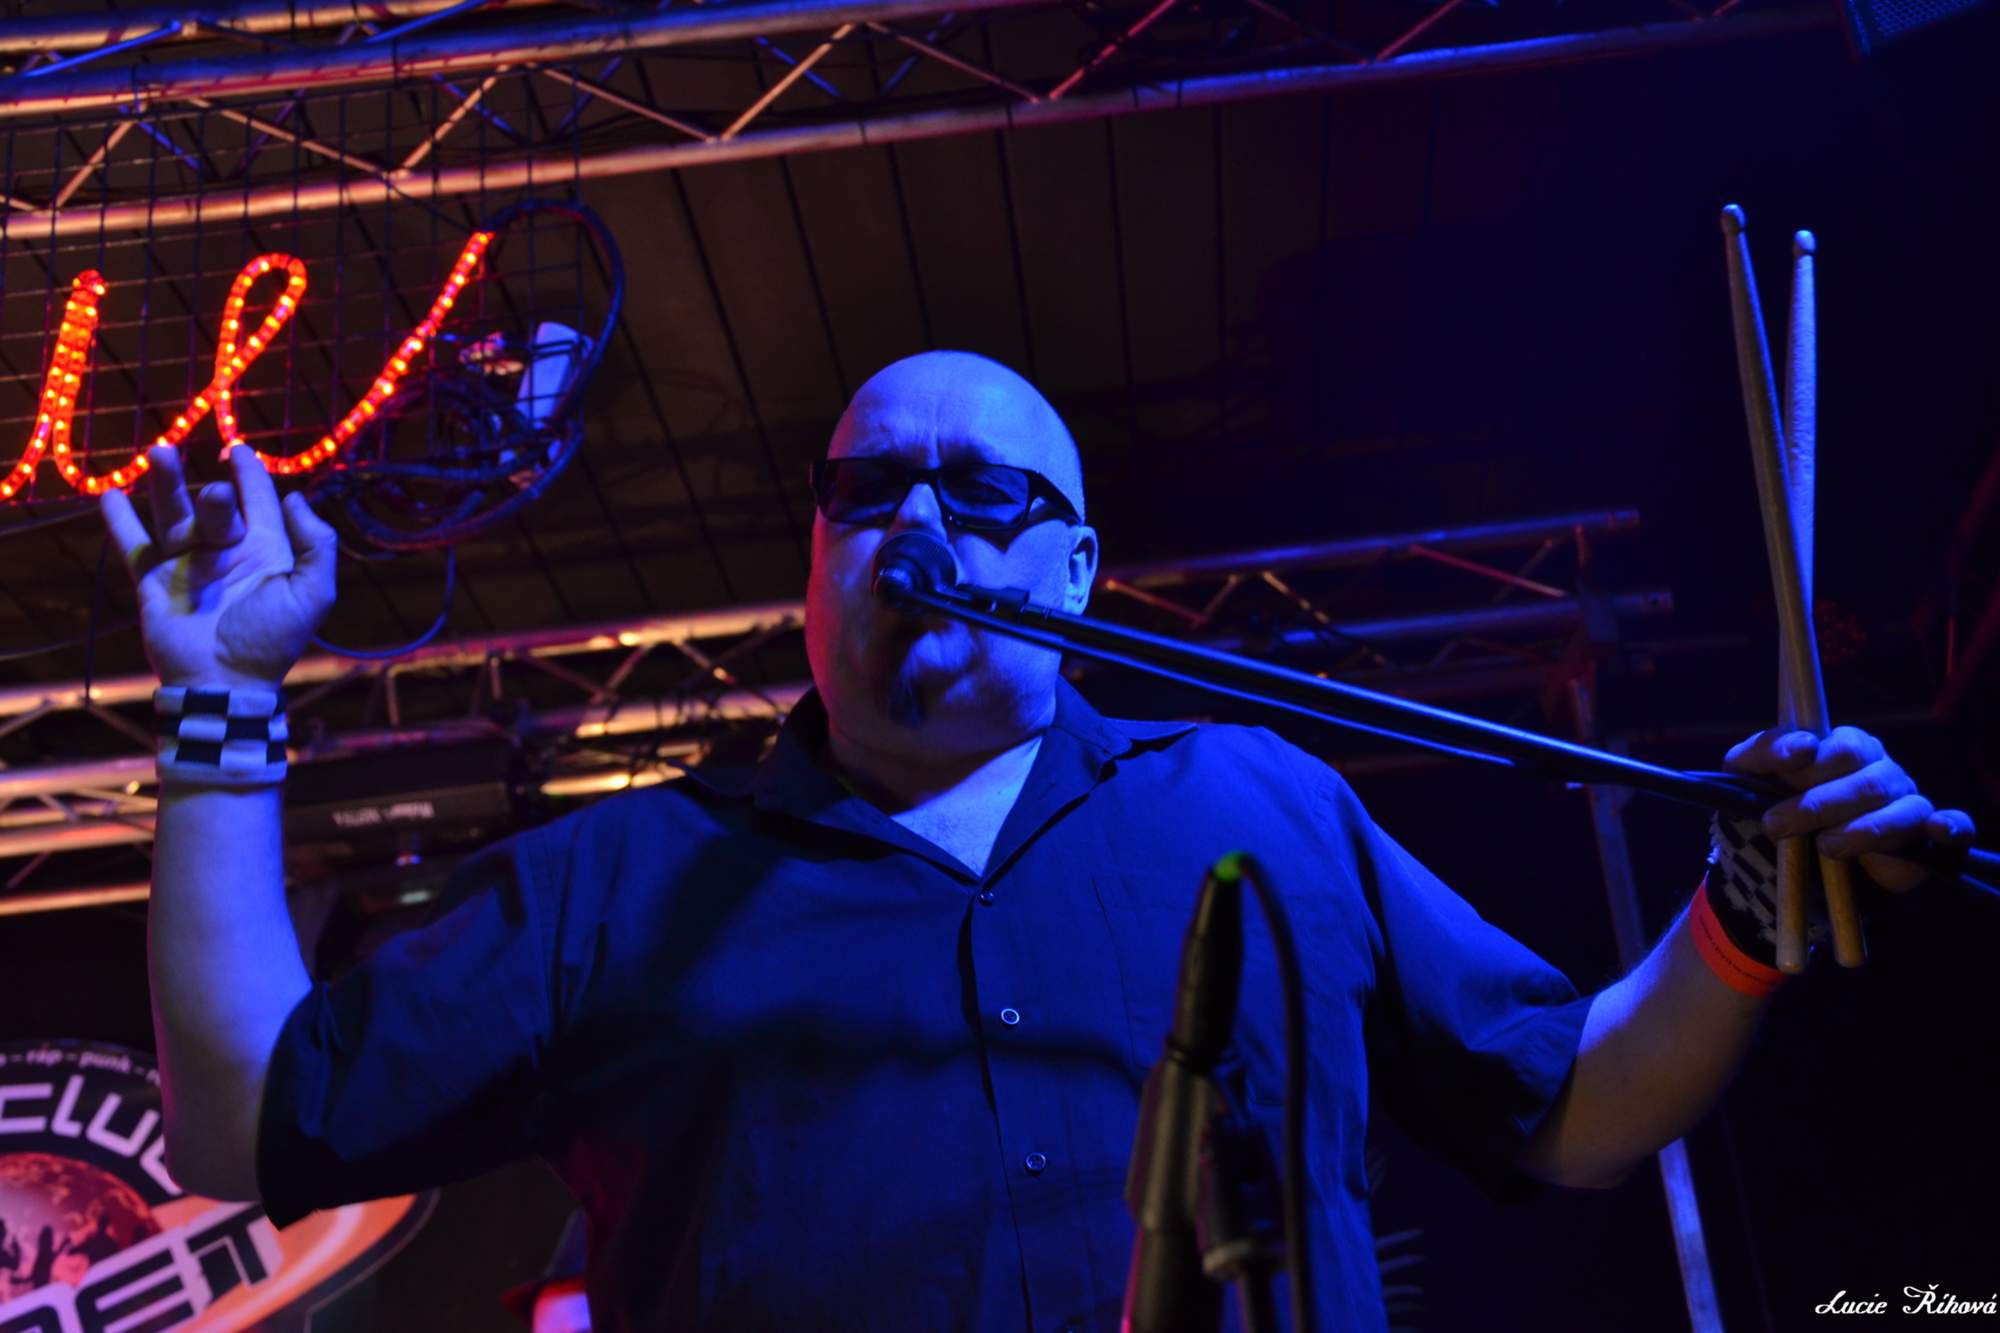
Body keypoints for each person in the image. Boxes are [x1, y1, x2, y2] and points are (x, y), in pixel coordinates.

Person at [102, 351, 1975, 1332]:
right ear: (814, 564)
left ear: (1076, 567)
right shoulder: (624, 885)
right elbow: (246, 1119)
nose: (920, 522)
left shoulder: (1256, 799)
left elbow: (1568, 1100)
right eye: (870, 492)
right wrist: (221, 706)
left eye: (984, 491)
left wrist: (1744, 905)